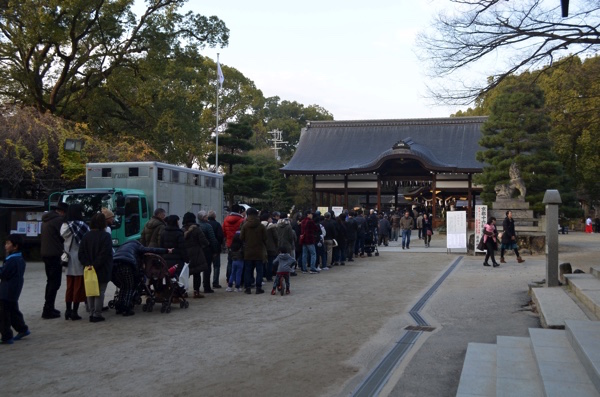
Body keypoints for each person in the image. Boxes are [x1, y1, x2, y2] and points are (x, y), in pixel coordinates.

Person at [78, 213, 114, 322]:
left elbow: (81, 253)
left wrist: (88, 264)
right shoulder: (106, 236)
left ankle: (91, 311)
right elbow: (105, 253)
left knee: (90, 290)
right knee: (100, 291)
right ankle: (97, 314)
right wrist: (95, 264)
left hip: (88, 268)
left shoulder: (86, 236)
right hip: (102, 267)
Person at [60, 203, 89, 321]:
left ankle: (67, 310)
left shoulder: (64, 225)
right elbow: (86, 241)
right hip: (78, 259)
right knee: (78, 286)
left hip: (67, 258)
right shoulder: (82, 225)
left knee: (69, 286)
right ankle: (74, 312)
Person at [40, 201, 68, 319]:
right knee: (55, 283)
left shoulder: (47, 219)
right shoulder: (58, 221)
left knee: (50, 281)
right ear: (62, 212)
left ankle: (48, 307)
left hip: (46, 253)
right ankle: (48, 309)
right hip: (54, 254)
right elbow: (65, 236)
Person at [0, 234, 30, 344]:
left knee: (4, 315)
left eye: (8, 243)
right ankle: (22, 329)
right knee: (13, 311)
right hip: (13, 289)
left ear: (15, 246)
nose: (6, 246)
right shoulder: (19, 258)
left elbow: (4, 273)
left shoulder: (12, 260)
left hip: (6, 290)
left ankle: (7, 336)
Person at [182, 212, 209, 299]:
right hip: (197, 253)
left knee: (185, 274)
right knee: (197, 273)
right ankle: (196, 292)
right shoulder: (197, 229)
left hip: (185, 254)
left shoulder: (182, 230)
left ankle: (184, 291)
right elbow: (204, 241)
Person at [240, 207, 267, 294]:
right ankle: (258, 288)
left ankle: (248, 288)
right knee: (259, 271)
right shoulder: (261, 226)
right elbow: (265, 238)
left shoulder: (245, 226)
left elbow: (241, 238)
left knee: (248, 270)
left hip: (248, 251)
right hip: (259, 251)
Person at [197, 211, 219, 293]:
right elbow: (213, 239)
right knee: (207, 268)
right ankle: (206, 286)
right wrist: (215, 250)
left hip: (198, 250)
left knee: (198, 269)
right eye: (205, 216)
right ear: (203, 218)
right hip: (207, 250)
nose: (207, 217)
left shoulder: (197, 226)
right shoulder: (208, 226)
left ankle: (197, 288)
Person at [222, 204, 245, 282]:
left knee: (230, 261)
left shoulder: (226, 219)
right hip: (239, 243)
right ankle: (239, 279)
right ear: (239, 211)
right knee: (240, 261)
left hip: (229, 243)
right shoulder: (242, 220)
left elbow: (224, 232)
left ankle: (229, 278)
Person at [207, 210, 224, 288]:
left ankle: (206, 282)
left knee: (207, 266)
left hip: (207, 248)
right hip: (216, 248)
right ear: (215, 216)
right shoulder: (217, 225)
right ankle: (215, 282)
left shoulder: (205, 224)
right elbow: (220, 237)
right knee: (216, 266)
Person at [300, 210, 320, 274]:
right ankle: (312, 268)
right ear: (308, 214)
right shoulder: (311, 221)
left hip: (303, 239)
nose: (312, 215)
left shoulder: (302, 221)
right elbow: (316, 229)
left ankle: (304, 269)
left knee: (304, 254)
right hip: (310, 239)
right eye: (311, 214)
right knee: (313, 254)